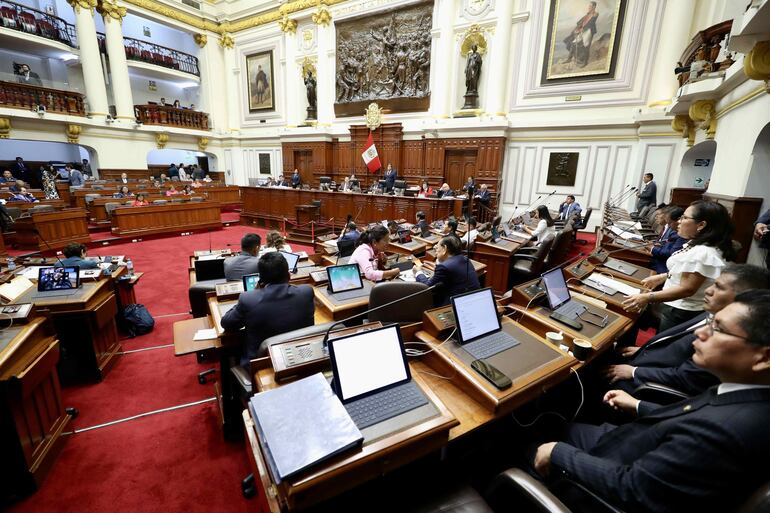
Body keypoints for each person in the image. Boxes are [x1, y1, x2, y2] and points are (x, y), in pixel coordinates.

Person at [532, 290, 770, 513]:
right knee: (554, 423)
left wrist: (558, 453)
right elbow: (692, 415)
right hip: (632, 442)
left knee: (523, 440)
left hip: (606, 477)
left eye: (718, 328)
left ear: (764, 357)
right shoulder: (747, 395)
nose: (701, 332)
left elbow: (632, 489)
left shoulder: (725, 430)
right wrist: (638, 405)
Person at [603, 263, 770, 396]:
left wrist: (634, 372)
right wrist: (646, 349)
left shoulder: (728, 342)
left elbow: (687, 376)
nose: (708, 290)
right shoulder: (711, 313)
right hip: (648, 361)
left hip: (647, 385)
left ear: (744, 298)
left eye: (719, 287)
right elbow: (679, 348)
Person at [623, 201, 735, 332]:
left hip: (679, 311)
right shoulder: (699, 245)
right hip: (675, 306)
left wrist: (647, 298)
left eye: (685, 218)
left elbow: (686, 289)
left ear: (701, 225)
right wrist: (662, 277)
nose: (679, 221)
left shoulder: (703, 253)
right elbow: (688, 271)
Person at [221, 252, 315, 366]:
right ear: (289, 275)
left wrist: (255, 292)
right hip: (301, 359)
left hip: (264, 365)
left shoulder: (248, 299)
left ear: (261, 279)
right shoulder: (306, 292)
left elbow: (227, 323)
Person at [414, 235, 480, 307]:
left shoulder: (444, 267)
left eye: (438, 247)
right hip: (474, 300)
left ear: (445, 248)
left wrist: (418, 272)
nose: (436, 250)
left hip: (455, 305)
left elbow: (426, 286)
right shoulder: (465, 259)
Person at [650, 206, 686, 273]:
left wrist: (652, 248)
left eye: (669, 223)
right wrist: (659, 245)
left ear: (678, 220)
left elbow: (670, 253)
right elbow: (666, 244)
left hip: (662, 268)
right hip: (659, 264)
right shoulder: (673, 229)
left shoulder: (680, 235)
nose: (668, 226)